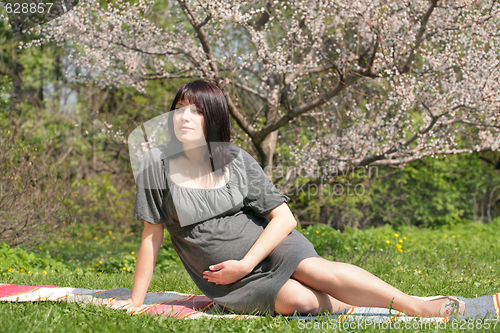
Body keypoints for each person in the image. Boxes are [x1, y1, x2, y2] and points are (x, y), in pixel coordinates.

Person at [114, 80, 466, 317]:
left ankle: (419, 309)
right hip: (227, 279)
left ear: (213, 118)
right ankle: (352, 304)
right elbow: (152, 235)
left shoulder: (235, 159)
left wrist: (247, 262)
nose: (185, 117)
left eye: (197, 110)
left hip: (266, 247)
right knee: (297, 299)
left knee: (314, 269)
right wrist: (135, 299)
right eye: (179, 108)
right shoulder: (155, 164)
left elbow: (284, 219)